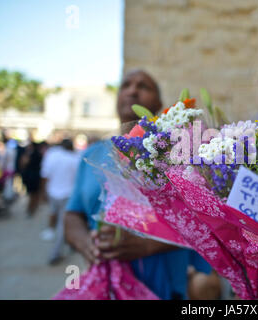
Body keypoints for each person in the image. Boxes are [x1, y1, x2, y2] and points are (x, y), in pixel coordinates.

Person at [64, 70, 213, 300]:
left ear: (159, 104)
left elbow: (208, 222)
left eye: (143, 86)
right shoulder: (92, 154)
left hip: (167, 290)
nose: (132, 90)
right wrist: (87, 245)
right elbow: (73, 214)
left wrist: (151, 244)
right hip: (104, 287)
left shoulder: (180, 154)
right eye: (126, 85)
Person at [40, 139, 80, 264]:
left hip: (52, 192)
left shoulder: (52, 156)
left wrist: (43, 192)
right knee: (62, 224)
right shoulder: (74, 159)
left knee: (55, 217)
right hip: (68, 195)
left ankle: (57, 244)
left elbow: (45, 176)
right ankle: (56, 253)